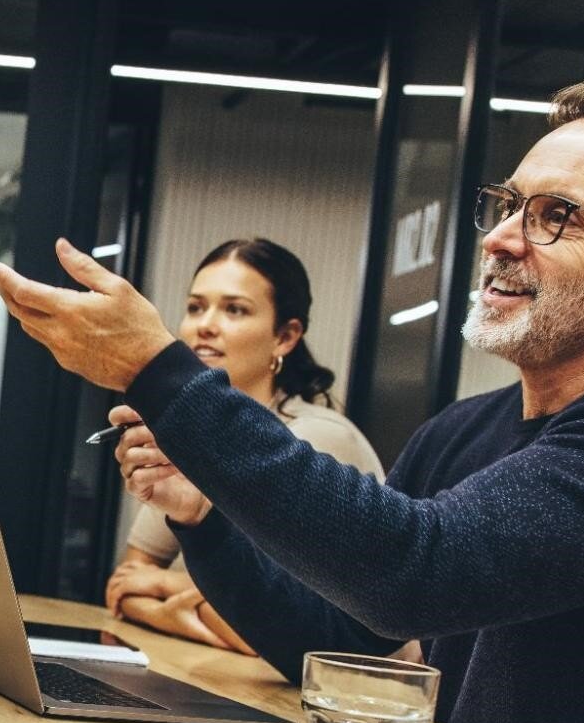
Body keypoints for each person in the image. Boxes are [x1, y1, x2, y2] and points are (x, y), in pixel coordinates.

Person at [0, 80, 584, 723]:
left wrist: (159, 371)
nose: (500, 237)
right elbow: (339, 640)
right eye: (509, 204)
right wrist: (201, 520)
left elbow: (413, 575)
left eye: (558, 216)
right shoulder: (462, 430)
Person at [106, 239, 383, 654]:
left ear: (286, 337)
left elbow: (278, 627)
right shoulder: (190, 433)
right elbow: (125, 583)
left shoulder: (316, 438)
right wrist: (190, 608)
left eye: (234, 310)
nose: (206, 325)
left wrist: (167, 588)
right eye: (197, 307)